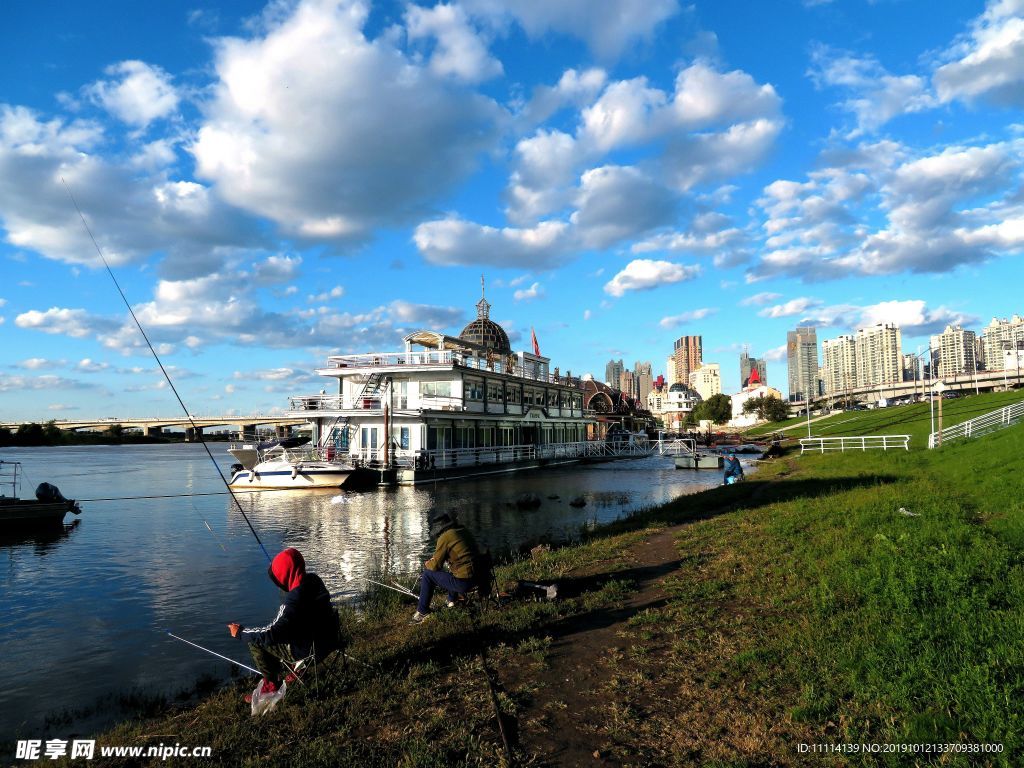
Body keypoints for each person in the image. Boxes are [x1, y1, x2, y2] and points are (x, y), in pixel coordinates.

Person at [228, 548, 338, 701]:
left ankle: (271, 685)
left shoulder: (293, 601)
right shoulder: (314, 580)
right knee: (299, 626)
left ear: (285, 575)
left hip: (310, 653)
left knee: (256, 642)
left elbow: (271, 634)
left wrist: (240, 632)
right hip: (330, 641)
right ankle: (296, 670)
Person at [411, 512, 480, 624]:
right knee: (452, 569)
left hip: (466, 583)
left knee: (428, 574)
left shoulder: (445, 537)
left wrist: (428, 563)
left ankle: (422, 612)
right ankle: (452, 601)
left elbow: (435, 566)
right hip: (481, 577)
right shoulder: (463, 531)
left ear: (439, 530)